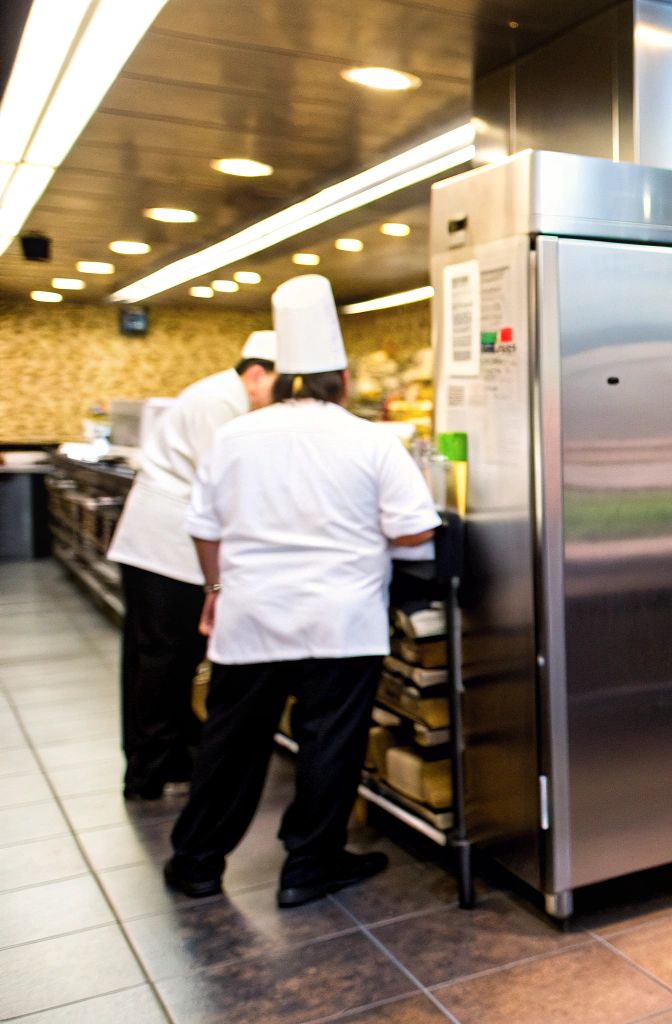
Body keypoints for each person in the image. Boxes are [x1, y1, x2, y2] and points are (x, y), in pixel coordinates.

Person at [164, 275, 441, 909]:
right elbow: (416, 529)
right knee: (329, 743)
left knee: (232, 743)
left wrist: (214, 590)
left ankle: (198, 862)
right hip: (340, 620)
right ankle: (307, 869)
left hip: (252, 615)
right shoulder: (371, 439)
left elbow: (204, 529)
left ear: (282, 376)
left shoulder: (235, 437)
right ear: (341, 379)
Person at [107, 331, 277, 800]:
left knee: (170, 658)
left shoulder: (223, 396)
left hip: (169, 547)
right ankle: (148, 769)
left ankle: (170, 753)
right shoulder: (218, 403)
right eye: (278, 388)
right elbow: (223, 483)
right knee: (159, 660)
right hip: (163, 548)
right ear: (257, 374)